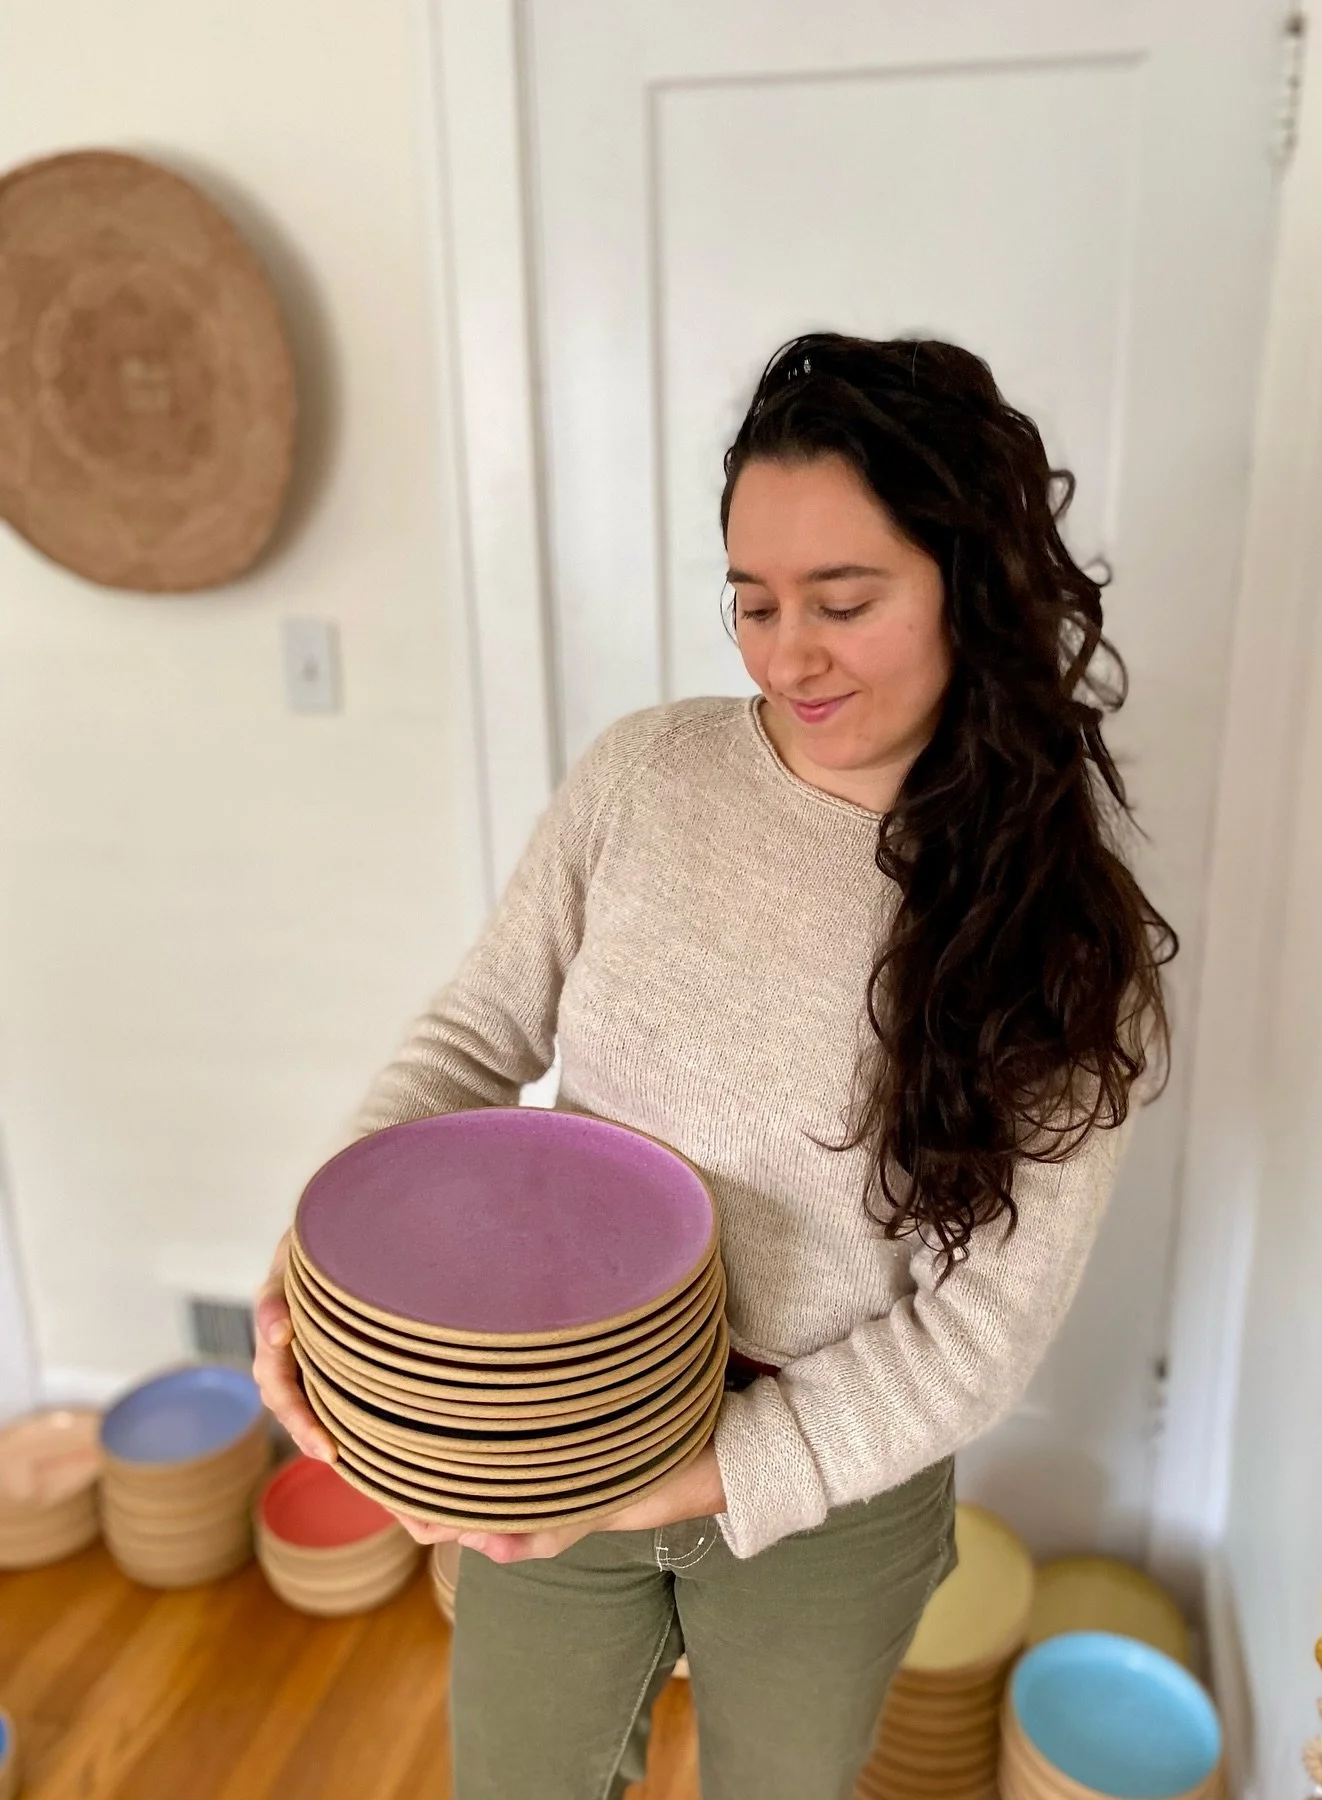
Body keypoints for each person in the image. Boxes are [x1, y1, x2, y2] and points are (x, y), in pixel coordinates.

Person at [252, 330, 1176, 1800]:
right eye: (750, 601)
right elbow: (474, 1037)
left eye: (843, 600)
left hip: (831, 1494)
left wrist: (704, 1478)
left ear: (972, 582)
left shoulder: (1059, 945)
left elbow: (980, 1332)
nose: (783, 653)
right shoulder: (645, 775)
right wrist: (323, 1271)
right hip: (554, 1412)